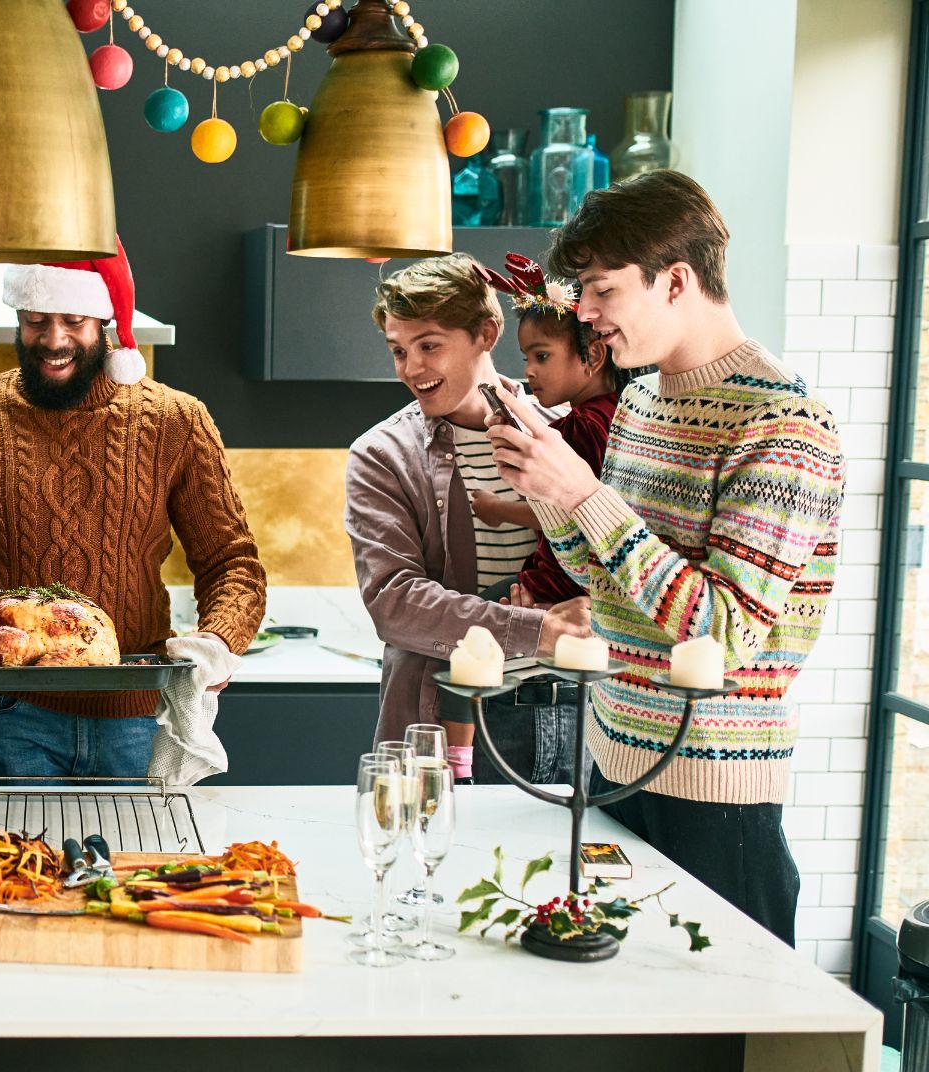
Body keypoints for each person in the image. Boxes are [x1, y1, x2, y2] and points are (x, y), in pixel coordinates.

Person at [486, 170, 844, 943]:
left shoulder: (784, 422)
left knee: (717, 1047)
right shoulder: (644, 400)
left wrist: (581, 496)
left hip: (714, 795)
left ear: (676, 280)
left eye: (601, 290)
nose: (584, 313)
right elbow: (601, 578)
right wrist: (546, 482)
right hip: (612, 760)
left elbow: (721, 629)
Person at [0, 239, 266, 778]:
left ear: (105, 324)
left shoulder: (176, 423)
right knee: (8, 862)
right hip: (7, 712)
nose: (53, 339)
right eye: (35, 320)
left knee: (133, 862)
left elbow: (232, 562)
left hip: (135, 713)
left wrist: (218, 637)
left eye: (73, 319)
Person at [344, 254, 592, 784]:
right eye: (398, 351)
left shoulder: (569, 432)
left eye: (429, 345)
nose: (412, 369)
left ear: (487, 331)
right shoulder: (383, 454)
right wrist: (539, 630)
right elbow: (395, 603)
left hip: (583, 709)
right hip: (457, 717)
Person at [468, 253, 627, 607]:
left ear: (594, 356)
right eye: (526, 358)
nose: (529, 371)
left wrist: (498, 509)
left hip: (559, 586)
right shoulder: (623, 411)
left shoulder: (577, 429)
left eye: (542, 356)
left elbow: (569, 511)